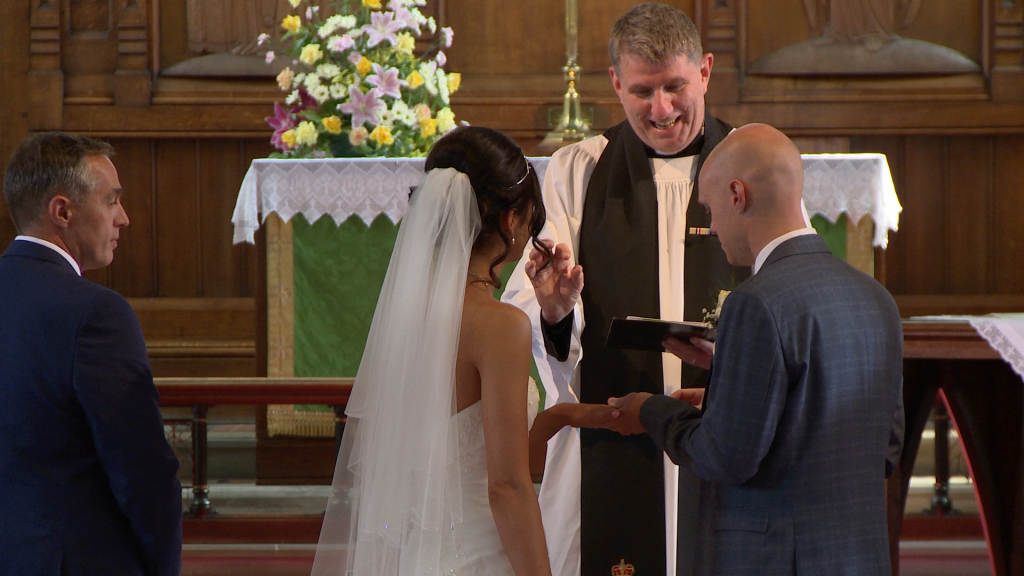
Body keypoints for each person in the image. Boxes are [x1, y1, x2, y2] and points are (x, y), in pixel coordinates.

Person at [502, 4, 748, 575]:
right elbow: (529, 306)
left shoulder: (752, 162)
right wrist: (555, 310)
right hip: (610, 439)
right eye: (642, 90)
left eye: (675, 87)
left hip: (725, 436)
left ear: (705, 72)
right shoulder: (577, 171)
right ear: (615, 82)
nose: (661, 109)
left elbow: (790, 288)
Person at [311, 126, 617, 576]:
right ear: (511, 220)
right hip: (478, 556)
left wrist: (567, 416)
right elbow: (507, 486)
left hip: (419, 556)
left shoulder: (406, 316)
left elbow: (454, 451)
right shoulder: (498, 325)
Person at [606, 123, 905, 575]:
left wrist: (652, 411)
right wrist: (728, 380)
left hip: (776, 561)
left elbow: (725, 456)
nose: (711, 227)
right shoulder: (875, 298)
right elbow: (884, 446)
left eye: (708, 209)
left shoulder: (757, 301)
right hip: (856, 558)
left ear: (736, 194)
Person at [0, 133, 183, 576]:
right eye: (112, 201)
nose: (124, 218)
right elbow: (142, 472)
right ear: (62, 211)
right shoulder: (96, 313)